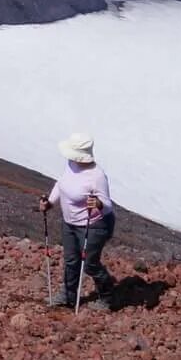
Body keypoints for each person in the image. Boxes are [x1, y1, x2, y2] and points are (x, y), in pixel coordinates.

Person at [37, 131, 118, 311]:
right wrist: (50, 202)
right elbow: (61, 184)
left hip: (94, 225)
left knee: (89, 263)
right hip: (70, 223)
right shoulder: (71, 164)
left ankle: (107, 296)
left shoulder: (96, 176)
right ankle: (68, 295)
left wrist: (97, 203)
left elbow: (107, 206)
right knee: (71, 260)